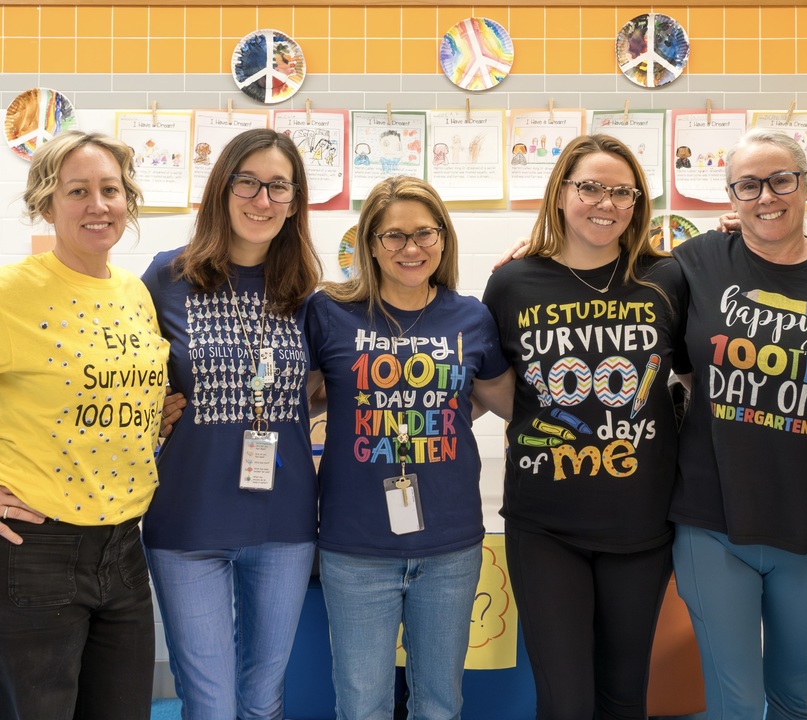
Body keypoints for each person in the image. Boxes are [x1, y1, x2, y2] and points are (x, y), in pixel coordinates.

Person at [482, 133, 686, 720]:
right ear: (561, 192)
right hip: (545, 525)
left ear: (638, 203)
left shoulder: (667, 278)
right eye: (590, 187)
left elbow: (704, 375)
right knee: (564, 702)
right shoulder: (514, 281)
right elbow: (494, 386)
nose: (607, 202)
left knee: (624, 697)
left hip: (642, 525)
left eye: (623, 191)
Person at [672, 130, 807, 720]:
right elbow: (603, 270)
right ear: (730, 196)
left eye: (781, 179)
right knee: (735, 703)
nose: (767, 196)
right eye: (748, 185)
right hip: (713, 517)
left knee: (796, 699)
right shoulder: (695, 260)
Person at [306, 176, 513, 720]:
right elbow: (293, 399)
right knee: (362, 704)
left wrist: (440, 408)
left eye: (425, 233)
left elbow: (502, 396)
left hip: (450, 543)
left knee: (440, 703)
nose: (412, 248)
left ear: (443, 239)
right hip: (355, 545)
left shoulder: (470, 316)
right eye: (393, 236)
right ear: (370, 242)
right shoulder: (329, 311)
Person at [141, 129, 323, 720]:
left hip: (285, 521)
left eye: (278, 187)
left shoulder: (308, 297)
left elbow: (316, 391)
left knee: (263, 702)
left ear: (294, 202)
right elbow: (128, 378)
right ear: (222, 188)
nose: (261, 199)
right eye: (247, 181)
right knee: (212, 706)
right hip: (187, 522)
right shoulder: (166, 277)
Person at [0, 131, 170, 720]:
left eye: (111, 190)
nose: (98, 205)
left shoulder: (133, 292)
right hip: (38, 545)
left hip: (124, 544)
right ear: (48, 203)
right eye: (78, 191)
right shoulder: (11, 293)